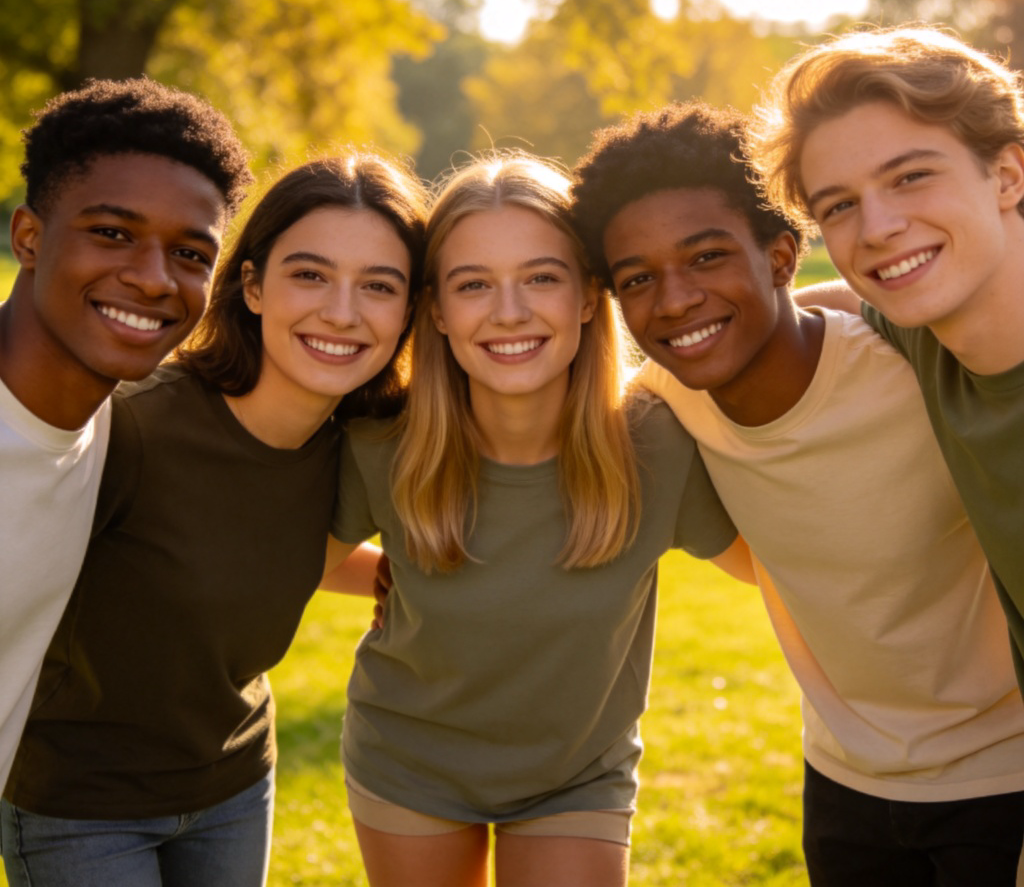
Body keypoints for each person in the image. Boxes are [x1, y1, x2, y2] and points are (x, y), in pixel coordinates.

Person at [569, 100, 1024, 886]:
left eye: (707, 257)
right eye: (637, 279)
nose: (674, 300)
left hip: (1004, 778)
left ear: (782, 257)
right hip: (845, 782)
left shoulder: (911, 370)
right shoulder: (662, 406)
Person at [1, 153, 427, 887]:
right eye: (310, 274)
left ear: (410, 311)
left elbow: (290, 554)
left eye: (379, 287)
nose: (342, 311)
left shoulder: (360, 446)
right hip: (81, 807)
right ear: (254, 286)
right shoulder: (133, 428)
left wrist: (405, 579)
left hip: (233, 785)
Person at [331, 152, 739, 887]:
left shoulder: (660, 441)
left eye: (541, 278)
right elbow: (320, 562)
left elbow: (781, 567)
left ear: (589, 296)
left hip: (576, 773)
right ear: (437, 311)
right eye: (474, 284)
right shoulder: (380, 442)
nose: (509, 312)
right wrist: (394, 575)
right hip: (410, 760)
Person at [745, 27, 1024, 691]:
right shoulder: (928, 330)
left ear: (1008, 176)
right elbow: (831, 303)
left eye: (911, 177)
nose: (877, 229)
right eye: (839, 206)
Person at [0, 77, 251, 794]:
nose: (152, 280)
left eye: (190, 255)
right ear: (29, 237)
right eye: (112, 234)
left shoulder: (119, 428)